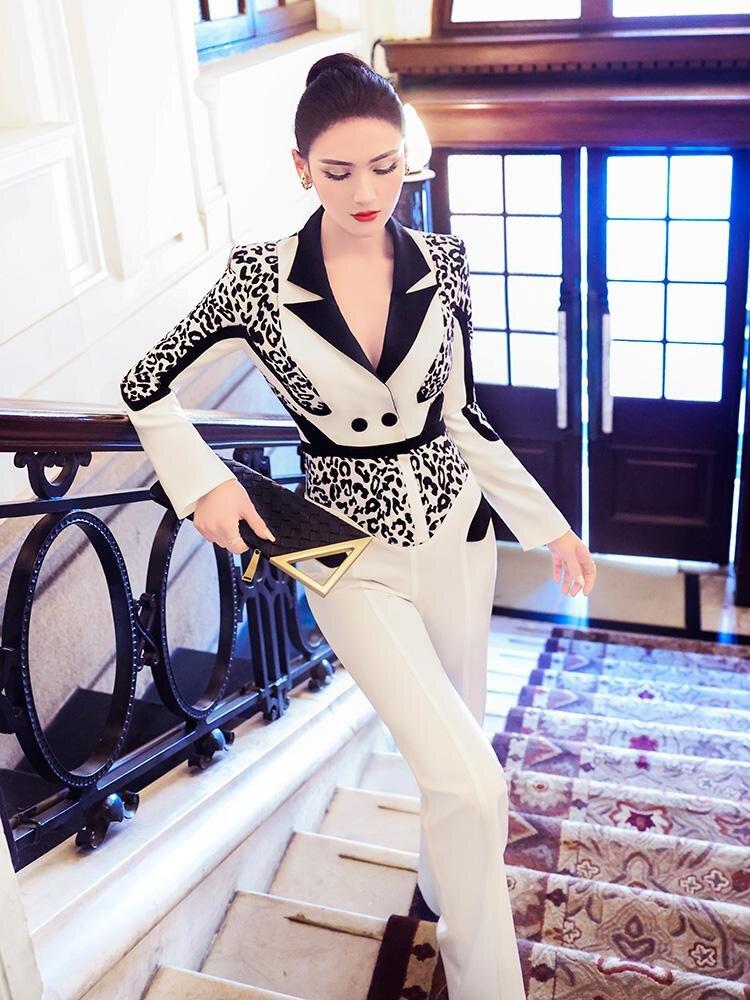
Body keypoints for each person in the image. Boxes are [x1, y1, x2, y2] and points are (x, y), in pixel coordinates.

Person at [119, 51, 597, 1000]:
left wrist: (550, 526)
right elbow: (145, 384)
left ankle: (440, 882)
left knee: (458, 743)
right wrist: (204, 485)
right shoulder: (259, 279)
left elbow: (463, 415)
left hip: (456, 538)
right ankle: (487, 983)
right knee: (474, 778)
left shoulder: (444, 265)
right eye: (339, 172)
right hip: (343, 556)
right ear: (302, 168)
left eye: (386, 166)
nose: (368, 191)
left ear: (407, 156)